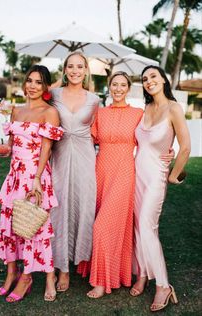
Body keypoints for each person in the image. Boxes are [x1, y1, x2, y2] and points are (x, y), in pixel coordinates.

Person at [0, 65, 63, 302]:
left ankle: (27, 276)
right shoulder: (17, 111)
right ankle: (11, 272)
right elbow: (13, 144)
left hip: (34, 175)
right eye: (30, 81)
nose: (32, 86)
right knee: (10, 225)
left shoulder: (49, 112)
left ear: (45, 87)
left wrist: (36, 179)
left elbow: (47, 147)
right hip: (14, 175)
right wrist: (5, 150)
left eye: (38, 82)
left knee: (33, 227)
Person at [130, 65, 191, 312]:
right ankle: (143, 274)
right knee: (137, 226)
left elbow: (185, 146)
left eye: (153, 76)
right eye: (144, 79)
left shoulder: (174, 108)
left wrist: (173, 176)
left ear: (164, 80)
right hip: (136, 176)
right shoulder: (144, 109)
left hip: (156, 177)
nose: (148, 81)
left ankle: (164, 285)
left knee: (147, 225)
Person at [86, 71, 143, 298]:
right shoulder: (99, 113)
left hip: (124, 172)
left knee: (103, 225)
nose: (118, 89)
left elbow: (150, 140)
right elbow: (88, 140)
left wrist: (167, 152)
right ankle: (108, 271)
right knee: (102, 222)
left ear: (128, 88)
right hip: (101, 171)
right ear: (109, 87)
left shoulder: (138, 114)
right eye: (114, 85)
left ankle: (101, 281)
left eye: (122, 85)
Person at [50, 52, 100, 292]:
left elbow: (102, 130)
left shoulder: (94, 99)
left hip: (85, 157)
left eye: (80, 66)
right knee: (59, 208)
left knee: (82, 205)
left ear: (86, 70)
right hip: (59, 155)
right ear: (65, 69)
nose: (75, 71)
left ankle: (80, 259)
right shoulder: (54, 94)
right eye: (70, 66)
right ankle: (62, 268)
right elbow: (39, 114)